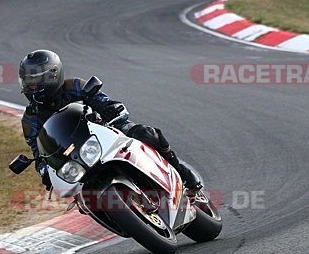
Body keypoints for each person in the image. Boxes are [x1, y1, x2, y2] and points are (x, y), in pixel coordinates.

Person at [18, 49, 202, 199]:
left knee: (147, 134)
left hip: (105, 131)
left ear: (51, 76)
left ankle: (182, 173)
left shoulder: (74, 86)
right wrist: (43, 170)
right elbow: (38, 152)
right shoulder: (29, 120)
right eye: (27, 82)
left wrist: (113, 110)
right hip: (75, 156)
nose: (30, 87)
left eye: (34, 81)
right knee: (79, 195)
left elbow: (102, 101)